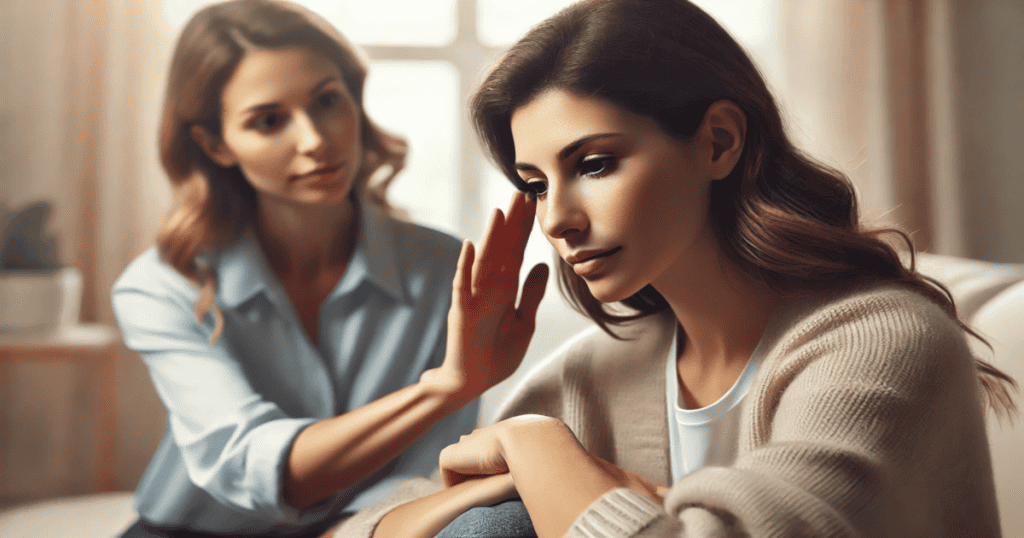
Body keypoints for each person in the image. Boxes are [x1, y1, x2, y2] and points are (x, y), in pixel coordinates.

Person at [336, 1, 1018, 537]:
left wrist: (534, 446)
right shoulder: (598, 372)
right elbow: (361, 529)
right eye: (537, 183)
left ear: (718, 141)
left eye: (594, 164)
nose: (557, 219)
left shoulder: (884, 342)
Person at [110, 1, 547, 536]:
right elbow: (253, 465)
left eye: (327, 101)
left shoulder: (444, 272)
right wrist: (445, 388)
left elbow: (423, 478)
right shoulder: (159, 287)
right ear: (216, 144)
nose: (315, 140)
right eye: (269, 121)